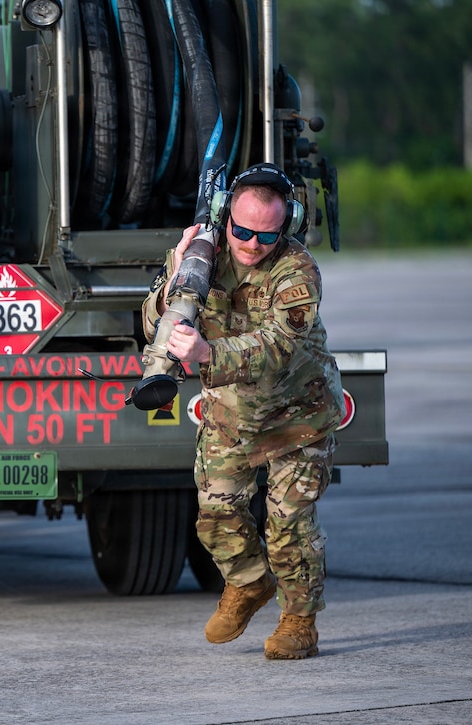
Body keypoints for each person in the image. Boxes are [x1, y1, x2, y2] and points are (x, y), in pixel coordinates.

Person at [141, 162, 345, 659]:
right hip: (231, 414)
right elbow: (151, 324)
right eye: (243, 230)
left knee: (289, 525)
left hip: (299, 417)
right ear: (224, 217)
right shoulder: (201, 257)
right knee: (216, 517)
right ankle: (250, 584)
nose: (252, 244)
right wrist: (175, 275)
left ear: (286, 227)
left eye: (266, 234)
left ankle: (300, 622)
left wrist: (209, 354)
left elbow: (278, 346)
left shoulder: (296, 270)